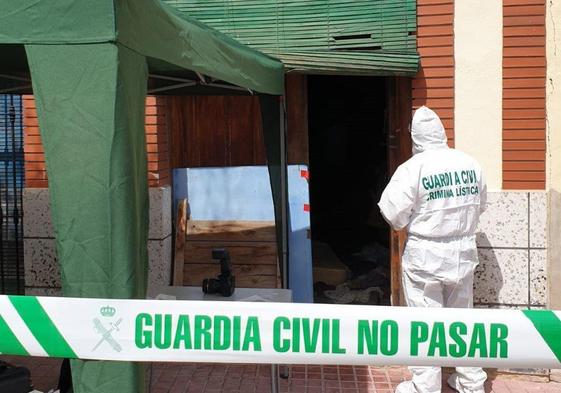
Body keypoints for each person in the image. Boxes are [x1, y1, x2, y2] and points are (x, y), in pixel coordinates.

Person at [378, 106, 487, 393]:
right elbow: (482, 205)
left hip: (426, 256)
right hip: (463, 252)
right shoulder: (470, 163)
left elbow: (393, 214)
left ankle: (425, 386)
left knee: (425, 323)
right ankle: (471, 383)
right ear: (442, 133)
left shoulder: (413, 168)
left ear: (416, 139)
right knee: (463, 321)